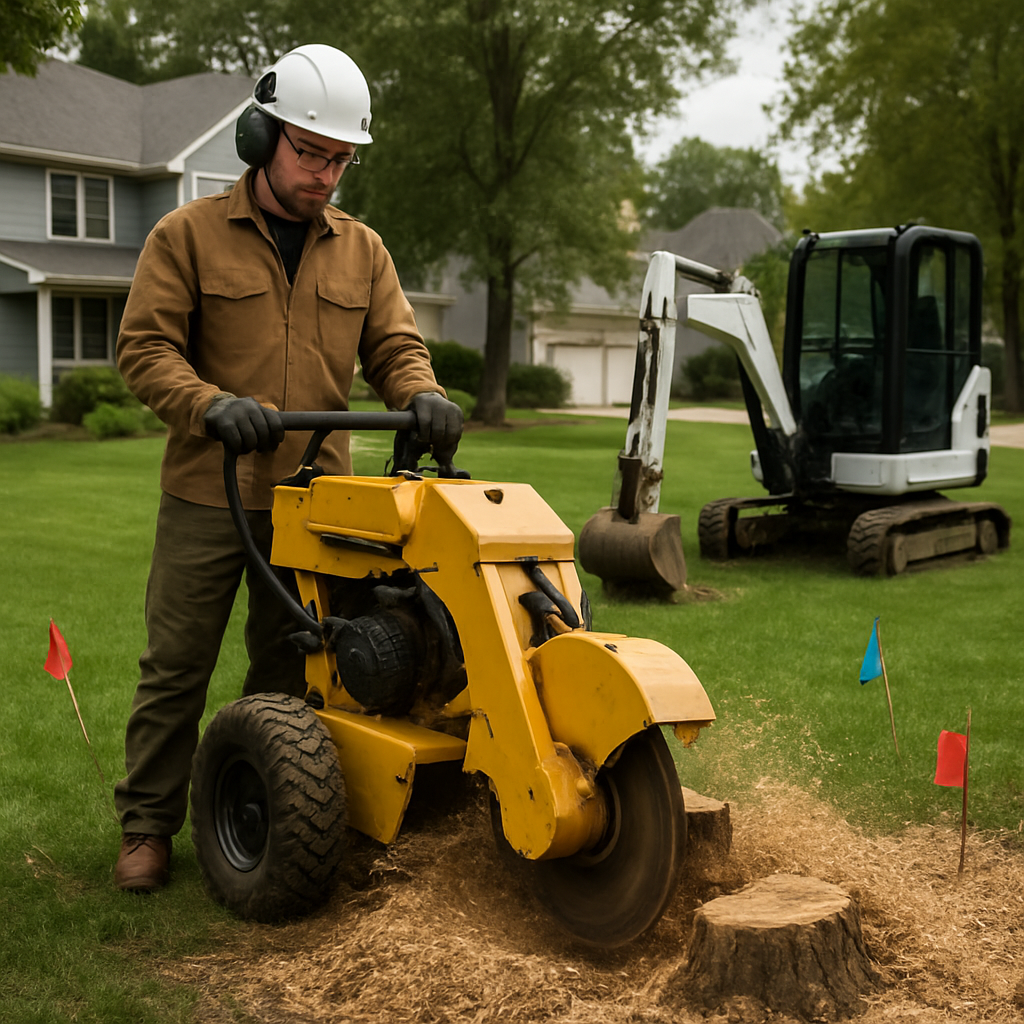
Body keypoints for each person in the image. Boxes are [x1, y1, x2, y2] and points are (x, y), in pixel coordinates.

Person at [113, 43, 463, 891]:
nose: (326, 174)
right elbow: (144, 348)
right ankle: (148, 827)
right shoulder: (186, 235)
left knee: (303, 665)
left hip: (316, 503)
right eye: (311, 153)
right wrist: (207, 404)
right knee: (177, 665)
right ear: (258, 135)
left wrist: (423, 392)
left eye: (340, 159)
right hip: (208, 490)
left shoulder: (362, 251)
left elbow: (396, 347)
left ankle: (275, 822)